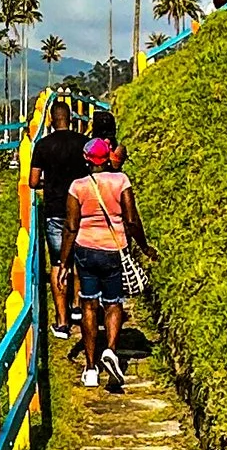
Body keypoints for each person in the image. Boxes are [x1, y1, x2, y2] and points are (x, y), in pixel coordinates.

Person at [65, 135, 148, 391]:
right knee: (114, 304)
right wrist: (144, 246)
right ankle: (111, 350)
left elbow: (70, 227)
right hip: (114, 249)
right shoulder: (121, 181)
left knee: (89, 305)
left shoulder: (77, 186)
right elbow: (132, 219)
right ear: (107, 158)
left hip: (86, 250)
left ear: (86, 159)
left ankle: (90, 368)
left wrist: (64, 262)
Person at [27, 92, 89, 339]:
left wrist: (49, 183)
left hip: (54, 210)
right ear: (71, 119)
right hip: (81, 209)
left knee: (58, 264)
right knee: (77, 260)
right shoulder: (83, 143)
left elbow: (32, 181)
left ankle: (62, 322)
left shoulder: (43, 146)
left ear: (51, 121)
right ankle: (78, 308)